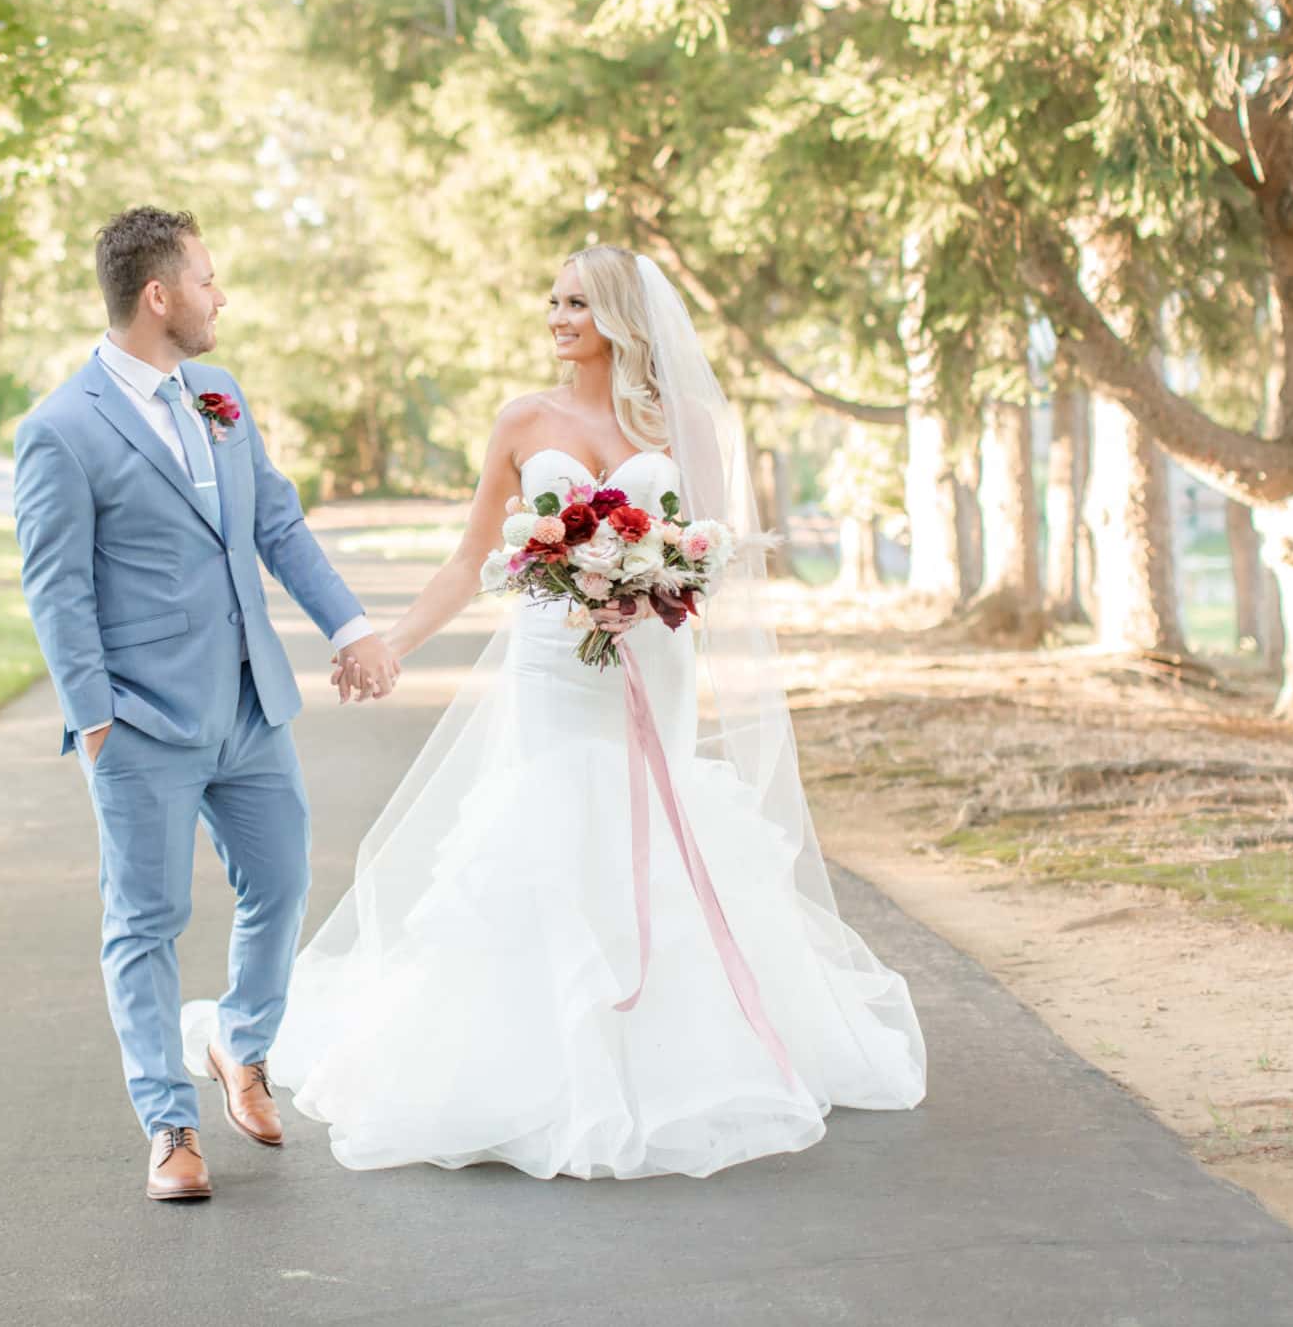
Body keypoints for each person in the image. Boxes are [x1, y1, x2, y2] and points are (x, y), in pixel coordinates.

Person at [202, 244, 926, 1180]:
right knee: (547, 822)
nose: (556, 315)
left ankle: (672, 1044)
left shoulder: (689, 421)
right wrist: (387, 642)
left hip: (650, 655)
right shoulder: (521, 419)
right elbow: (470, 562)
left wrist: (657, 589)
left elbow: (717, 549)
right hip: (553, 663)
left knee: (649, 827)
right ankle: (547, 1055)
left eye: (577, 301)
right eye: (551, 298)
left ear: (622, 316)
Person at [12, 206, 399, 1202]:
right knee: (145, 921)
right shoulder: (59, 429)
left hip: (250, 704)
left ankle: (240, 1045)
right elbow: (55, 587)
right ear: (159, 295)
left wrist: (350, 629)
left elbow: (277, 523)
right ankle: (170, 1124)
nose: (220, 295)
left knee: (280, 883)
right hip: (141, 722)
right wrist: (94, 715)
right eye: (208, 279)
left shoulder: (219, 394)